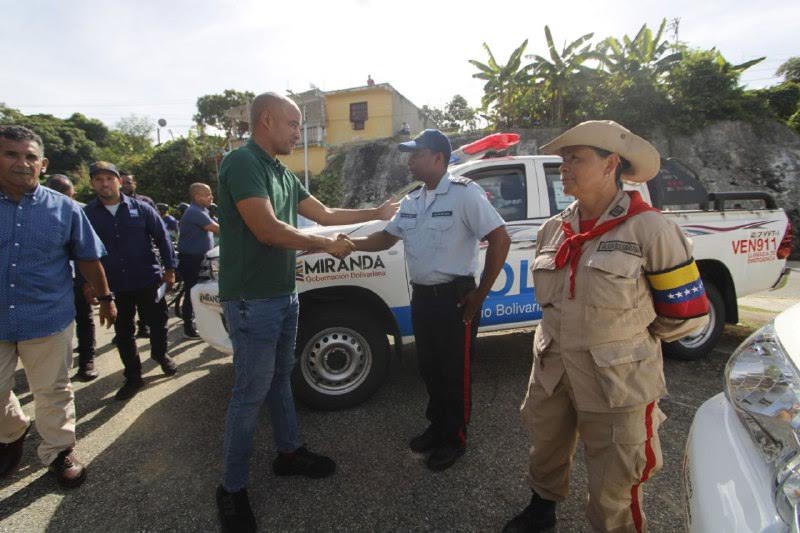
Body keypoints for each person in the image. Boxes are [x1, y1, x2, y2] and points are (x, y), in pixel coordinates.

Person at [503, 121, 710, 533]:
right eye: (563, 159)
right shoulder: (553, 229)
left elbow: (686, 313)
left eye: (576, 158)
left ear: (610, 164)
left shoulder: (650, 228)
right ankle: (542, 510)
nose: (564, 167)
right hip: (553, 370)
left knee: (615, 480)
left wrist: (626, 343)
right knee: (545, 450)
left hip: (617, 379)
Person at [215, 92, 397, 532]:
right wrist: (324, 245)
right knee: (249, 392)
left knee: (281, 378)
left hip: (282, 294)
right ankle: (231, 489)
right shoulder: (243, 164)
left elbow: (325, 213)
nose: (299, 132)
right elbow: (267, 229)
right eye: (294, 124)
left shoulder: (281, 172)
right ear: (266, 121)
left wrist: (377, 212)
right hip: (251, 300)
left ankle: (289, 452)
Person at [347, 129, 510, 471]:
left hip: (455, 299)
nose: (409, 161)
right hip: (422, 298)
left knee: (455, 372)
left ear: (438, 158)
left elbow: (500, 240)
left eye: (416, 154)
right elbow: (384, 238)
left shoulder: (465, 195)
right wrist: (348, 244)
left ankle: (455, 439)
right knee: (430, 369)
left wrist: (479, 296)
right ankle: (437, 427)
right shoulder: (412, 202)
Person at [0, 125, 116, 488]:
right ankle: (14, 429)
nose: (22, 163)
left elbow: (88, 257)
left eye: (30, 157)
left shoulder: (65, 209)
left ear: (43, 164)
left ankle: (58, 450)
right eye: (11, 154)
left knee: (53, 390)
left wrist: (106, 297)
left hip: (47, 317)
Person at [84, 161, 179, 401]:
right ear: (92, 184)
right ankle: (133, 376)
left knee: (158, 323)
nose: (105, 183)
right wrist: (87, 283)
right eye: (99, 179)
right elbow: (81, 251)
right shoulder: (86, 214)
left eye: (109, 178)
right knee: (124, 332)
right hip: (114, 285)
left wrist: (170, 269)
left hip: (147, 278)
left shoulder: (142, 208)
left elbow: (163, 239)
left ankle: (160, 354)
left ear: (119, 181)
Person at [45, 175, 99, 381]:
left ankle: (87, 361)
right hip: (52, 282)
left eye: (66, 194)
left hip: (79, 278)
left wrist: (93, 283)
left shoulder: (82, 211)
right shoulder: (36, 211)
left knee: (84, 318)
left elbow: (91, 251)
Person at [177, 183, 219, 338]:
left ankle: (196, 323)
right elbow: (218, 229)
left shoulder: (203, 210)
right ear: (197, 197)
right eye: (208, 194)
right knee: (192, 292)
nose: (211, 197)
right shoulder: (195, 211)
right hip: (192, 259)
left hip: (200, 258)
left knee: (198, 291)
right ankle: (188, 328)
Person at [120, 170, 155, 338]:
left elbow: (157, 228)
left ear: (135, 183)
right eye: (123, 182)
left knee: (145, 298)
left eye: (129, 182)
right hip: (121, 260)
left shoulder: (145, 202)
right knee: (124, 300)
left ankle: (144, 325)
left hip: (143, 257)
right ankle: (125, 329)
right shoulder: (111, 204)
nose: (126, 185)